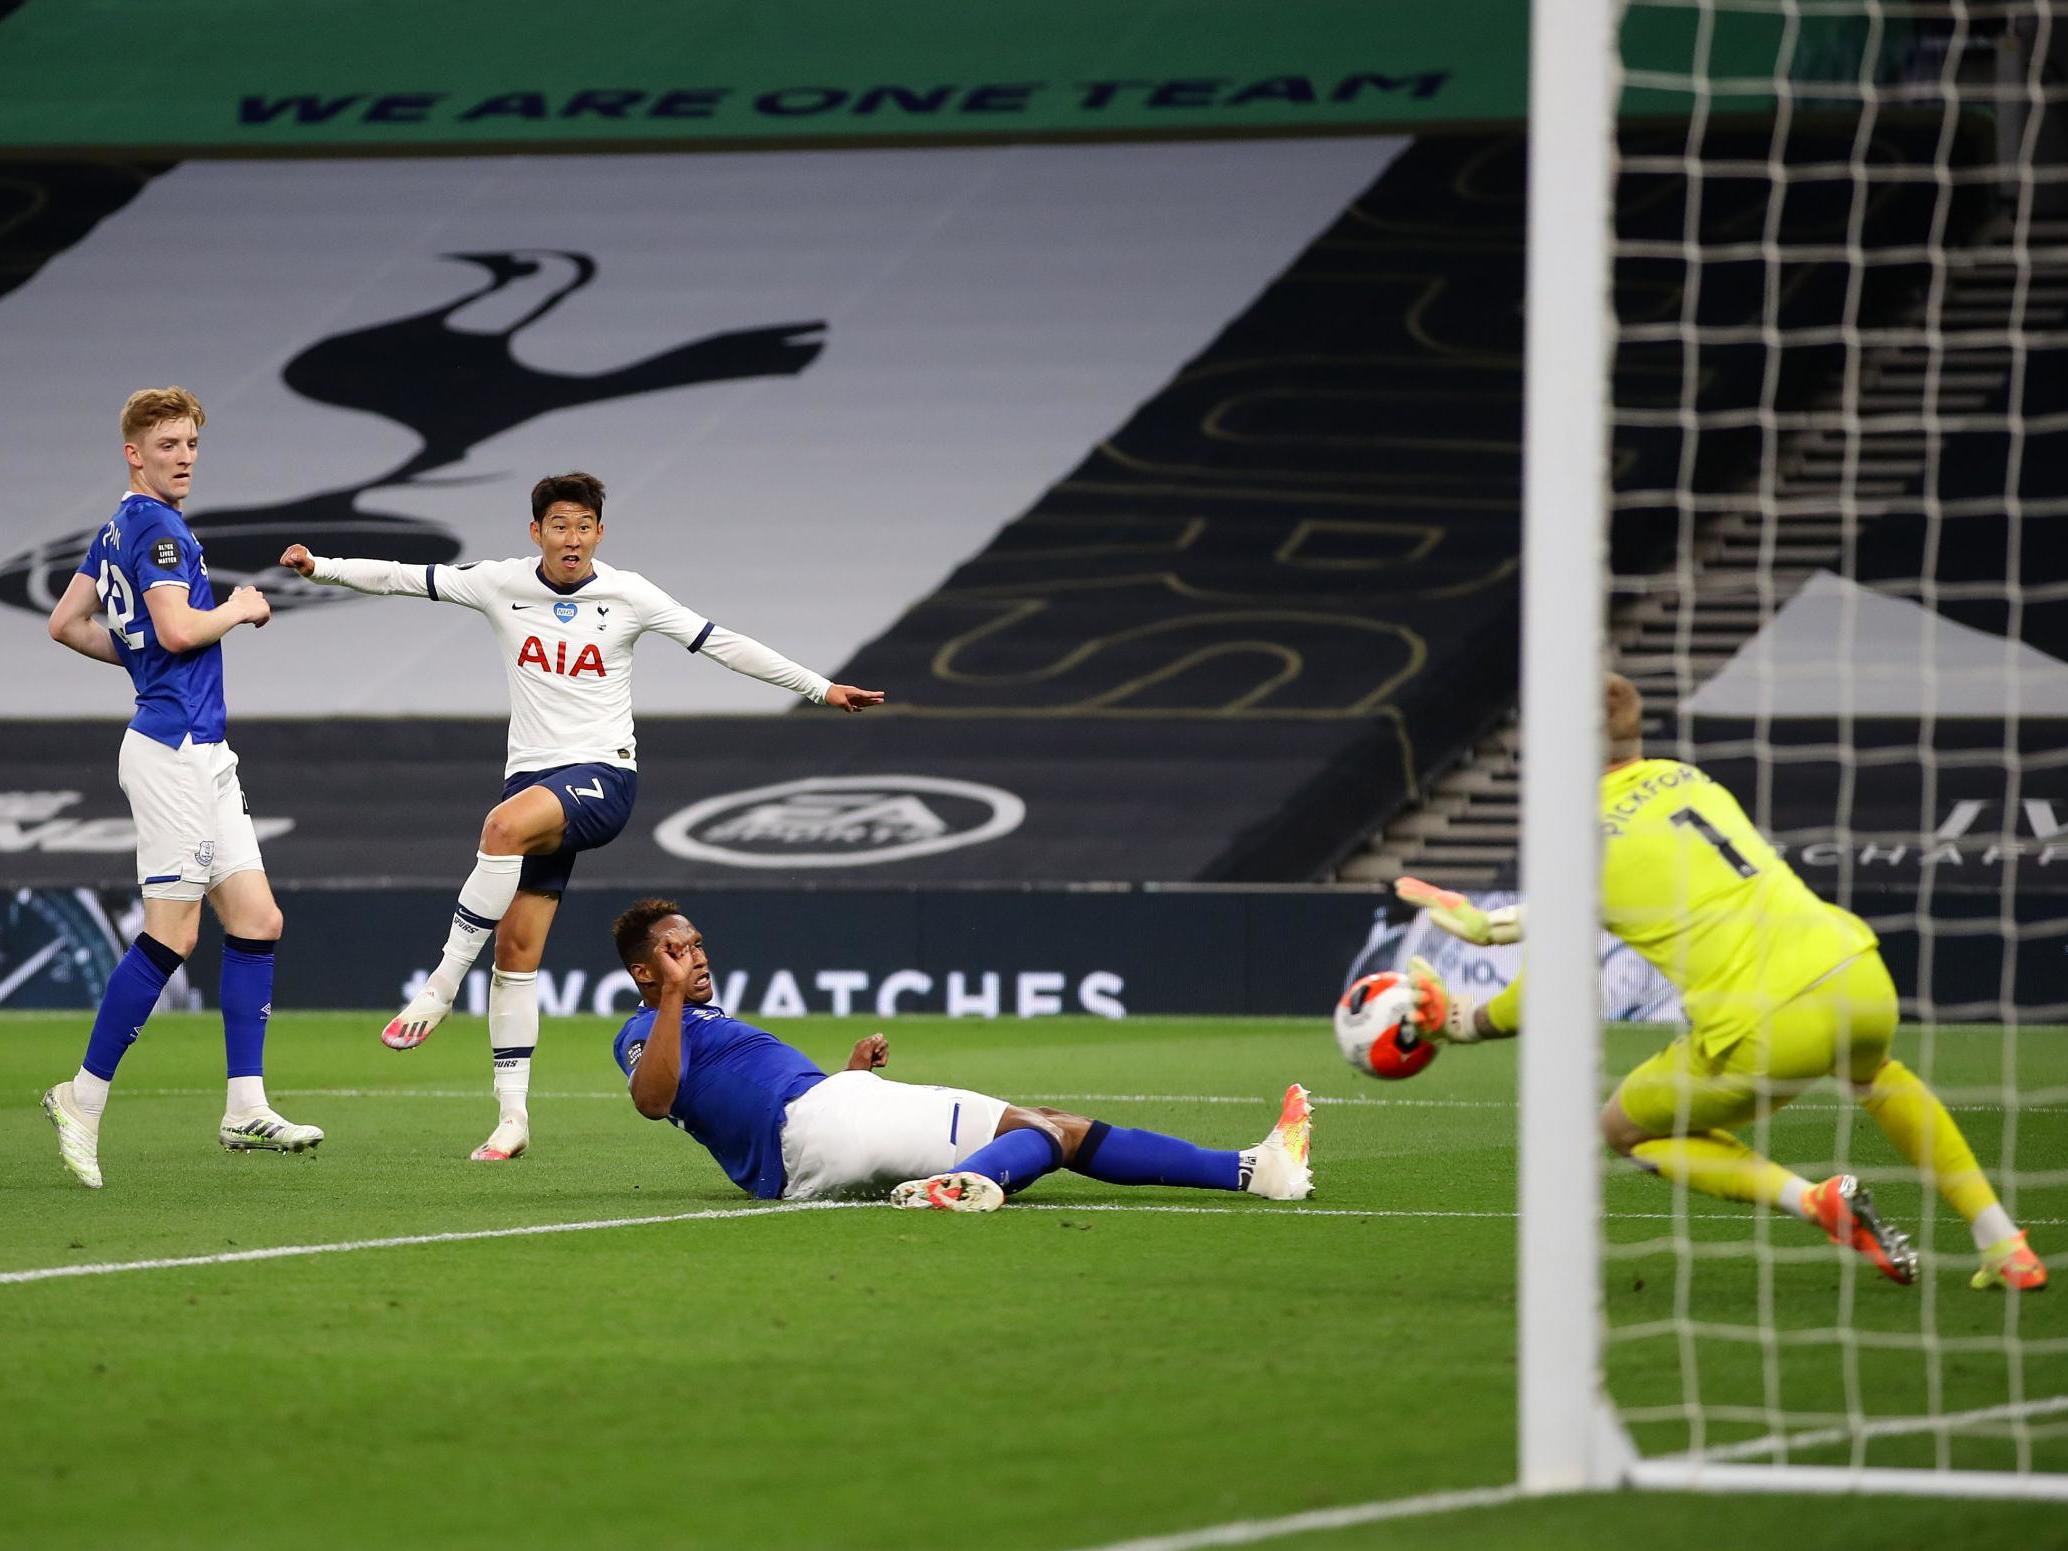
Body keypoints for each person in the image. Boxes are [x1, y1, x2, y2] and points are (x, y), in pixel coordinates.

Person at [279, 473, 883, 1162]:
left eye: (585, 525)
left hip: (602, 778)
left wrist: (819, 686)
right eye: (559, 525)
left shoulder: (628, 594)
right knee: (515, 953)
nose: (573, 538)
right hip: (534, 784)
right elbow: (403, 577)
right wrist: (319, 566)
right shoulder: (499, 582)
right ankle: (512, 1118)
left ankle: (440, 985)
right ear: (535, 532)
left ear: (600, 532)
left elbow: (722, 641)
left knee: (500, 827)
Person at [1398, 672, 2045, 1292]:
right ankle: (2003, 1244)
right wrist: (1488, 925)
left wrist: (1460, 1015)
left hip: (1766, 1024)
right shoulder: (1689, 779)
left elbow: (1536, 981)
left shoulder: (1581, 842)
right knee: (1878, 1078)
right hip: (1856, 973)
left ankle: (1815, 1201)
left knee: (1626, 1129)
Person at [41, 387, 323, 1189]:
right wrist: (234, 607)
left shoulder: (116, 526)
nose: (185, 454)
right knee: (172, 936)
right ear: (134, 452)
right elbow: (173, 628)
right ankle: (81, 1098)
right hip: (171, 752)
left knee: (258, 917)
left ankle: (244, 1104)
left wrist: (140, 660)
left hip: (202, 749)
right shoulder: (159, 527)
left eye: (191, 441)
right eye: (167, 444)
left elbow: (65, 623)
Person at [607, 899, 1314, 1210]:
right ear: (644, 971)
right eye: (675, 951)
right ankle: (968, 1184)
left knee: (1052, 1123)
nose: (694, 957)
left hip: (816, 1146)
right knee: (1043, 1134)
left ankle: (1251, 1169)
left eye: (696, 943)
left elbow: (741, 1098)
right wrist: (670, 997)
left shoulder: (702, 1022)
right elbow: (654, 1098)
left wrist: (847, 1071)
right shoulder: (647, 1025)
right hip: (818, 1126)